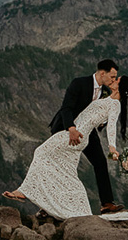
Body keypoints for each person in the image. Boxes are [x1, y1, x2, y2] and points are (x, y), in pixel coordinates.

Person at [3, 75, 128, 220]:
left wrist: (112, 147)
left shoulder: (115, 104)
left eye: (117, 80)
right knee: (66, 172)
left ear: (121, 86)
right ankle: (73, 208)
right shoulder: (108, 99)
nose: (114, 80)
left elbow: (111, 126)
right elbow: (95, 117)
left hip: (76, 136)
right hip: (76, 134)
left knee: (41, 151)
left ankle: (25, 191)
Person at [49, 58, 123, 214]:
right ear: (102, 73)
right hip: (65, 128)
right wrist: (71, 128)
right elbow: (66, 108)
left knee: (100, 162)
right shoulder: (79, 83)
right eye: (112, 76)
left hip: (87, 132)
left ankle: (107, 203)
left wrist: (102, 122)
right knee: (60, 167)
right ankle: (47, 208)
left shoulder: (105, 91)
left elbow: (95, 114)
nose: (113, 80)